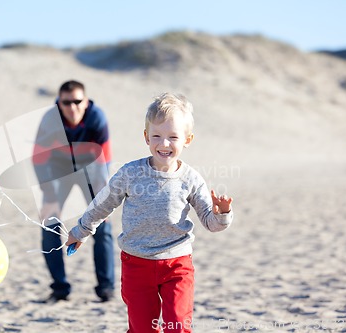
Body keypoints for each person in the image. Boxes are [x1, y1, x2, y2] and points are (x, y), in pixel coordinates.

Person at [66, 92, 234, 332]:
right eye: (157, 136)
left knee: (178, 325)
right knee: (143, 328)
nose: (164, 144)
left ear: (187, 139)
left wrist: (223, 214)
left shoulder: (192, 179)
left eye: (173, 137)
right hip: (136, 264)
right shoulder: (129, 173)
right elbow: (102, 204)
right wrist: (80, 231)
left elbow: (211, 223)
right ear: (146, 137)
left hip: (177, 264)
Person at [32, 80, 115, 303]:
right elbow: (39, 160)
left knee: (103, 225)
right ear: (59, 103)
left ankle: (106, 288)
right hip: (60, 170)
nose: (72, 107)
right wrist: (49, 198)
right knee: (49, 221)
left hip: (92, 168)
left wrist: (103, 202)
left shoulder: (97, 118)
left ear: (86, 102)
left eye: (78, 101)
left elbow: (104, 162)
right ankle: (60, 288)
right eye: (66, 102)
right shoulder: (50, 120)